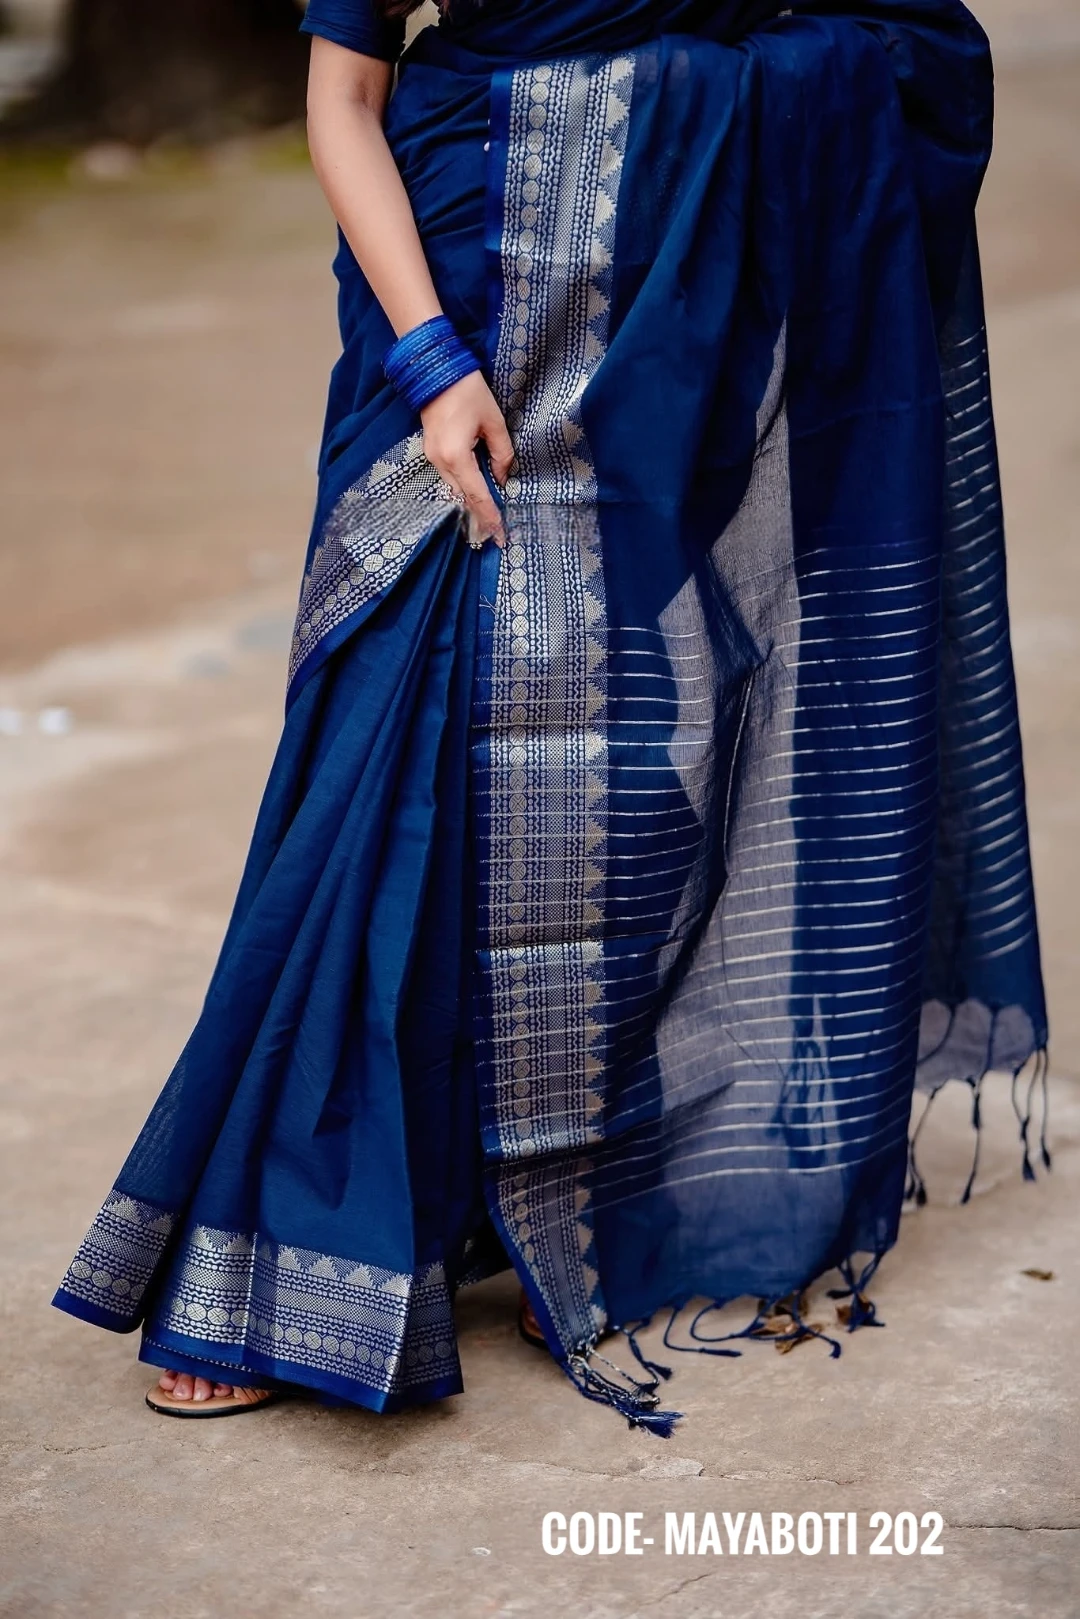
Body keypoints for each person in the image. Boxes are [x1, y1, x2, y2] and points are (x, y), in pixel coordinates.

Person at [54, 0, 1048, 1434]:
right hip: (468, 279)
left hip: (682, 272)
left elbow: (899, 31)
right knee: (396, 748)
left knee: (632, 746)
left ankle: (571, 1206)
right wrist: (430, 361)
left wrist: (728, 101)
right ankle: (289, 1244)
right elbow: (342, 99)